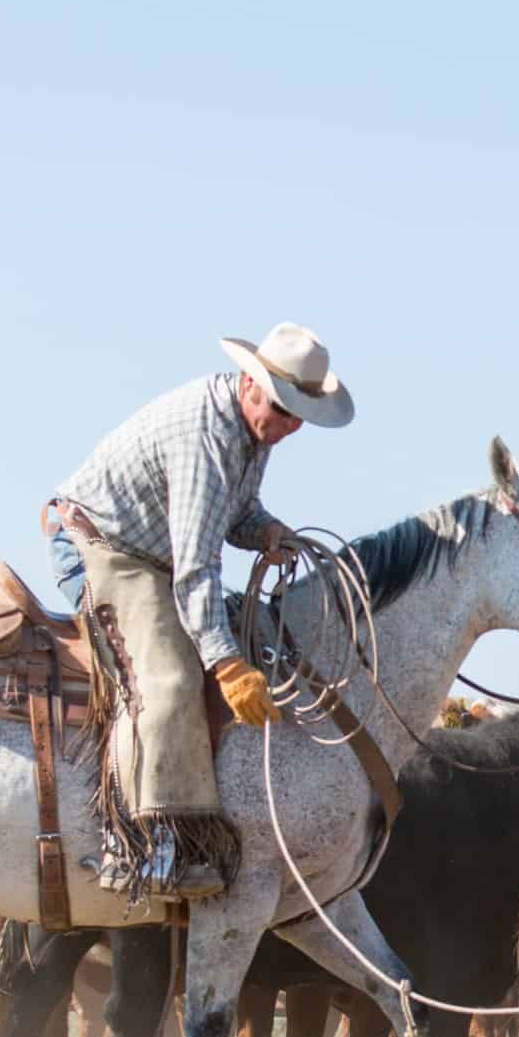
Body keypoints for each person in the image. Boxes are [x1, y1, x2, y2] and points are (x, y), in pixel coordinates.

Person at [43, 323, 354, 901]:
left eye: (296, 419)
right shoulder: (204, 438)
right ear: (248, 385)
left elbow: (235, 513)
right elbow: (195, 567)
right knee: (167, 675)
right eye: (282, 412)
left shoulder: (252, 434)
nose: (286, 428)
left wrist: (266, 530)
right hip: (98, 545)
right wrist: (226, 665)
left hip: (148, 553)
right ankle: (137, 842)